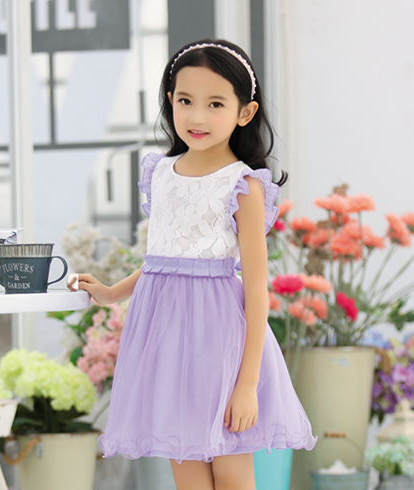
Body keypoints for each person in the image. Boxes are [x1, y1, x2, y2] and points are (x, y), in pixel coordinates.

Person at [69, 39, 316, 490]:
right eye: (185, 101)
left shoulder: (243, 186)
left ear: (245, 112)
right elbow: (164, 261)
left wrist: (247, 384)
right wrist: (110, 293)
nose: (197, 116)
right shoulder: (162, 173)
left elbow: (256, 289)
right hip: (166, 340)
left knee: (231, 473)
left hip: (220, 341)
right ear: (170, 101)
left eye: (215, 104)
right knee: (188, 474)